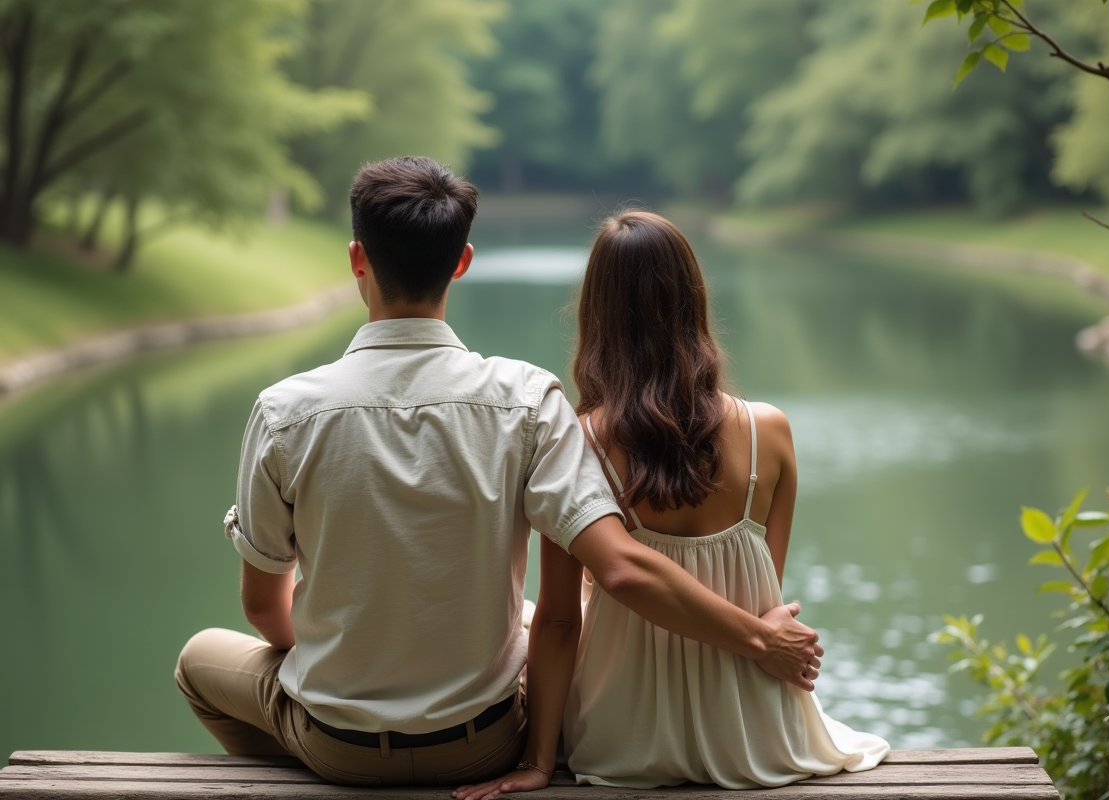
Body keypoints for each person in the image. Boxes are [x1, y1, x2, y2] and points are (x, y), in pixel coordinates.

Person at [174, 159, 823, 787]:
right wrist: (759, 639)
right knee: (532, 617)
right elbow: (618, 570)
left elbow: (263, 608)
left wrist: (344, 657)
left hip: (337, 746)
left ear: (356, 260)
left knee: (199, 658)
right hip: (480, 746)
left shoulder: (284, 411)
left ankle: (300, 785)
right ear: (462, 262)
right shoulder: (526, 400)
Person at [455, 211, 888, 798]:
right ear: (693, 301)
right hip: (754, 734)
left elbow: (559, 622)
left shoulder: (579, 443)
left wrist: (538, 763)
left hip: (624, 739)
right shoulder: (769, 432)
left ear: (597, 313)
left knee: (532, 618)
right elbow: (766, 603)